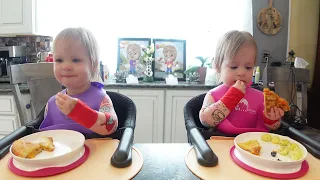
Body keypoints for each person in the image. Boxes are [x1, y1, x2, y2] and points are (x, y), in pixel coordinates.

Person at [199, 30, 284, 135]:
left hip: (253, 145)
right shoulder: (213, 95)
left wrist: (272, 119)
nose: (241, 72)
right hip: (222, 143)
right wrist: (232, 97)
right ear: (218, 67)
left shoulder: (261, 98)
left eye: (248, 67)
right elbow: (205, 121)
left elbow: (272, 128)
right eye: (234, 67)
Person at [39, 27, 118, 135]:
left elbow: (111, 126)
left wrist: (80, 112)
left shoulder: (101, 98)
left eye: (75, 60)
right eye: (59, 60)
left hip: (96, 150)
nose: (66, 66)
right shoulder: (52, 103)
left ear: (93, 65)